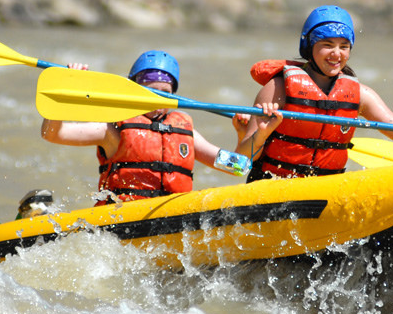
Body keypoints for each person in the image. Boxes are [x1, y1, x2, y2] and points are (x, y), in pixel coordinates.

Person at [234, 5, 393, 182]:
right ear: (309, 48)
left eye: (344, 46)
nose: (336, 54)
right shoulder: (277, 89)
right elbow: (241, 161)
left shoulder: (361, 95)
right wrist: (262, 134)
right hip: (272, 187)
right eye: (327, 44)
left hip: (326, 190)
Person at [41, 50, 249, 204]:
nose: (158, 99)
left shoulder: (187, 134)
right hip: (123, 219)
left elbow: (238, 167)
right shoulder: (112, 130)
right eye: (150, 91)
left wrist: (243, 135)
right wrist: (64, 92)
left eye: (165, 92)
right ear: (133, 91)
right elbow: (52, 134)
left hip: (170, 219)